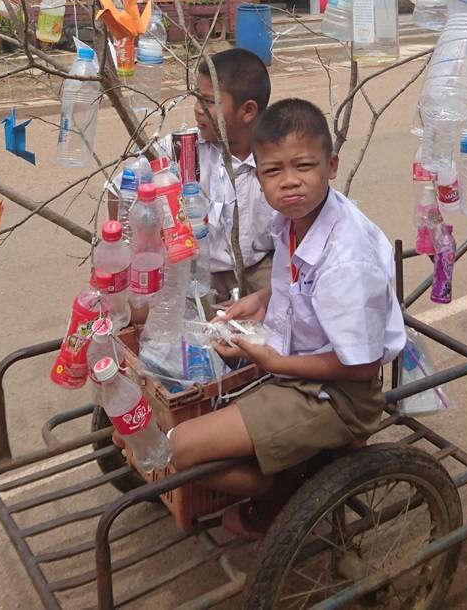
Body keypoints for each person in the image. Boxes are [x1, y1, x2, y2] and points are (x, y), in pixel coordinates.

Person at [168, 98, 405, 537]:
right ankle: (289, 461)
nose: (290, 182)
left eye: (303, 166)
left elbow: (363, 365)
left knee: (180, 448)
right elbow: (302, 283)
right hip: (299, 360)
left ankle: (282, 488)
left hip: (339, 393)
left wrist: (270, 362)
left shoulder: (346, 258)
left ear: (331, 165)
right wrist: (261, 299)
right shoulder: (296, 220)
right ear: (258, 177)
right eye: (273, 171)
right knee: (184, 401)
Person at [187, 48, 280, 300]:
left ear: (248, 111)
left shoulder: (278, 158)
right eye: (197, 99)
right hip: (202, 271)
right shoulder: (183, 148)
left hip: (261, 268)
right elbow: (119, 189)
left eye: (208, 102)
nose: (197, 109)